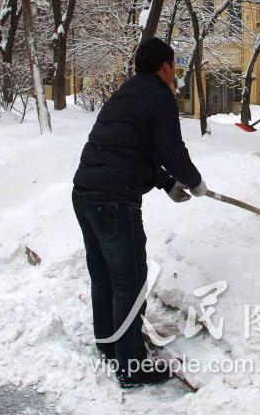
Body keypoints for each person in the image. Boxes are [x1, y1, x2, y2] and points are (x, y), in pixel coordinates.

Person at [72, 38, 206, 388]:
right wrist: (194, 181)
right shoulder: (160, 96)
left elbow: (130, 149)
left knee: (104, 276)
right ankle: (131, 366)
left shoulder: (127, 92)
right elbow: (170, 148)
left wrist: (165, 183)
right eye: (174, 66)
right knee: (129, 280)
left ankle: (109, 343)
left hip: (84, 192)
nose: (175, 73)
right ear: (165, 66)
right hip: (114, 200)